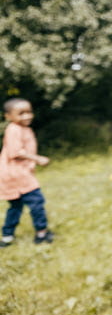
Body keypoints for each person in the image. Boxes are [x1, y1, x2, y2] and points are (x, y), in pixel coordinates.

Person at [0, 98, 54, 247]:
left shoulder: (24, 129)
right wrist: (37, 159)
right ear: (8, 116)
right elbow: (15, 152)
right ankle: (41, 234)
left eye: (29, 112)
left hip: (13, 175)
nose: (27, 116)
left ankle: (7, 236)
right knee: (36, 202)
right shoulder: (14, 129)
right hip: (18, 176)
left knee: (15, 207)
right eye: (21, 113)